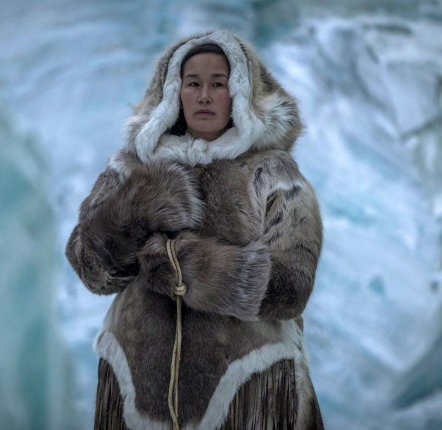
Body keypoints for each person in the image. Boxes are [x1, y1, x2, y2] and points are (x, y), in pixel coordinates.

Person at [66, 30, 324, 430]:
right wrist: (135, 209)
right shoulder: (129, 170)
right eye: (193, 83)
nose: (204, 96)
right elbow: (89, 267)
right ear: (173, 92)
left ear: (240, 93)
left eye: (218, 84)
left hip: (249, 389)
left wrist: (189, 269)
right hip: (135, 385)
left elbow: (291, 286)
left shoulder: (275, 174)